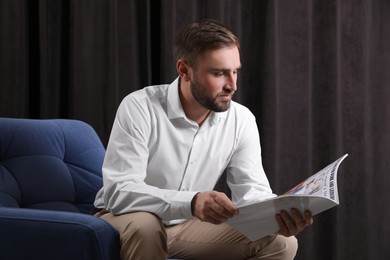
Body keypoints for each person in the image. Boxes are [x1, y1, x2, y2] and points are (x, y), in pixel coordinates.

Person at [93, 20, 313, 260]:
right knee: (147, 226)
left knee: (282, 242)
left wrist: (277, 216)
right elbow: (119, 191)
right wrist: (192, 202)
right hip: (126, 218)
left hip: (187, 226)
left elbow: (252, 193)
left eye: (235, 71)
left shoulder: (241, 119)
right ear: (184, 70)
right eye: (219, 73)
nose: (232, 85)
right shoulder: (139, 107)